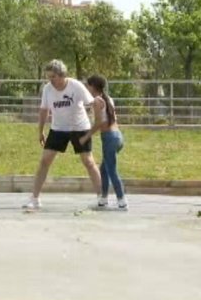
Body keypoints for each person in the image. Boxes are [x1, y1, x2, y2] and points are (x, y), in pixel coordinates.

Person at [23, 59, 103, 209]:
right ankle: (34, 198)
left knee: (88, 162)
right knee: (44, 161)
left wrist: (97, 102)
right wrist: (40, 131)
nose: (50, 80)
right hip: (58, 128)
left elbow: (91, 102)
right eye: (48, 77)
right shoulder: (47, 89)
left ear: (62, 75)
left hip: (79, 127)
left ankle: (101, 197)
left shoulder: (76, 86)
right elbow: (44, 110)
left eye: (53, 76)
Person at [80, 74, 128, 209]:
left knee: (111, 170)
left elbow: (99, 123)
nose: (86, 88)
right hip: (118, 136)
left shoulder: (97, 101)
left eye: (87, 85)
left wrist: (86, 136)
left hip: (109, 138)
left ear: (92, 87)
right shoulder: (108, 99)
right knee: (104, 169)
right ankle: (103, 199)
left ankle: (121, 199)